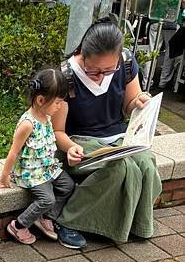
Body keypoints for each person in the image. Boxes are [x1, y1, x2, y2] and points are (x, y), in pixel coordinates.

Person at [52, 16, 162, 244]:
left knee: (146, 163)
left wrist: (140, 101)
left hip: (119, 137)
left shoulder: (126, 62)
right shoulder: (66, 76)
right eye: (94, 71)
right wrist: (71, 147)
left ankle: (136, 224)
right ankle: (67, 220)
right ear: (82, 55)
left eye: (109, 70)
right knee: (119, 168)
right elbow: (58, 132)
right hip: (80, 142)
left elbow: (130, 105)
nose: (102, 76)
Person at [0, 69, 86, 249]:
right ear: (41, 100)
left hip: (47, 168)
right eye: (58, 102)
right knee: (47, 199)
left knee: (68, 185)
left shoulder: (46, 116)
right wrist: (4, 177)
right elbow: (13, 151)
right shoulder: (27, 124)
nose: (60, 106)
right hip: (31, 172)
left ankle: (46, 217)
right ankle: (19, 225)